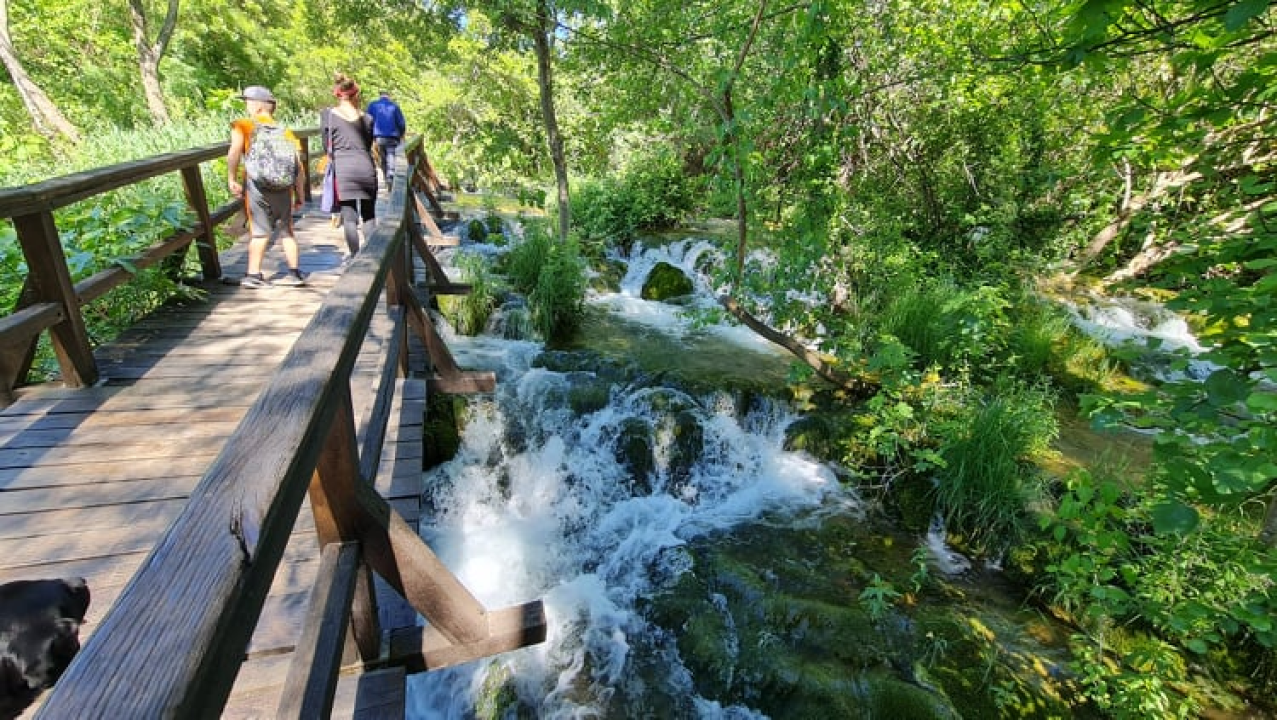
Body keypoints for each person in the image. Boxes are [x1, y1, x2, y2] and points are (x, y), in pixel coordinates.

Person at [226, 85, 307, 288]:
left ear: (257, 106)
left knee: (260, 231)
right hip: (283, 187)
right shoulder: (285, 132)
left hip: (258, 186)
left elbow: (234, 152)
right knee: (287, 230)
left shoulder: (243, 125)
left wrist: (231, 178)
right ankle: (295, 273)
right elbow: (298, 165)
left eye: (247, 102)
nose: (246, 106)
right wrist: (300, 193)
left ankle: (253, 274)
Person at [322, 73, 378, 260]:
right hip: (366, 168)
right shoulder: (368, 118)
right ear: (356, 95)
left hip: (344, 170)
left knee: (349, 216)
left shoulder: (328, 116)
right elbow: (369, 144)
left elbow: (326, 145)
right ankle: (371, 256)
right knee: (369, 215)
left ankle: (355, 256)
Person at [366, 90, 406, 189]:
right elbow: (401, 123)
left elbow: (367, 120)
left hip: (379, 137)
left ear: (380, 96)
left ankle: (386, 176)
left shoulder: (373, 105)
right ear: (389, 96)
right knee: (391, 155)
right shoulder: (394, 106)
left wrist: (370, 135)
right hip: (393, 136)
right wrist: (401, 134)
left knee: (383, 157)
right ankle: (390, 176)